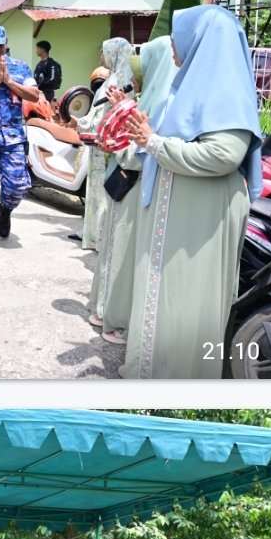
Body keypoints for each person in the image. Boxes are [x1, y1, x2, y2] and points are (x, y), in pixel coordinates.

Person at [123, 4, 261, 379]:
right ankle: (152, 369)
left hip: (200, 218)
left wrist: (155, 144)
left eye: (178, 37)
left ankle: (174, 376)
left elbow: (223, 154)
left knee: (186, 303)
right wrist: (150, 135)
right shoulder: (189, 88)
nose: (171, 48)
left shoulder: (226, 90)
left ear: (203, 40)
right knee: (167, 299)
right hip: (182, 214)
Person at [87, 37, 178, 343]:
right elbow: (137, 151)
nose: (137, 76)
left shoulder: (155, 99)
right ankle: (113, 319)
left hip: (126, 183)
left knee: (117, 251)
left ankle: (105, 312)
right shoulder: (158, 99)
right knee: (122, 254)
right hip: (132, 187)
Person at [0, 26, 40, 257]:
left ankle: (5, 209)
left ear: (6, 43)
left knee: (17, 186)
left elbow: (34, 95)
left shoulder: (20, 66)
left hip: (12, 139)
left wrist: (9, 82)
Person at [75, 37, 135, 251]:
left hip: (106, 144)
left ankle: (100, 237)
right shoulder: (118, 78)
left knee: (102, 193)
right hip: (103, 142)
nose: (101, 57)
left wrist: (83, 123)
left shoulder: (117, 82)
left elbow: (106, 114)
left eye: (104, 52)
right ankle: (95, 236)